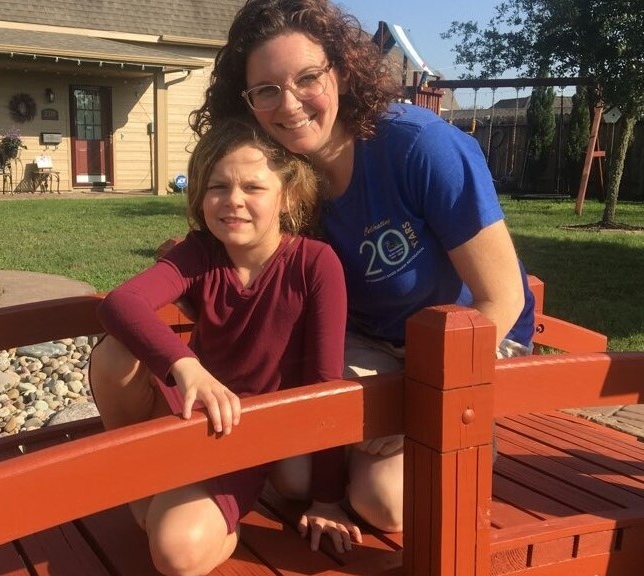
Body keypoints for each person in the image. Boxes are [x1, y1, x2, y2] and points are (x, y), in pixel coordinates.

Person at [189, 0, 536, 534]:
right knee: (295, 478)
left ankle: (422, 449)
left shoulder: (419, 147)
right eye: (266, 90)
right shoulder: (281, 173)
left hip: (465, 344)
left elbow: (502, 296)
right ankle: (359, 454)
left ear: (343, 73)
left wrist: (418, 399)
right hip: (362, 347)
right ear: (248, 102)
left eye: (308, 78)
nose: (290, 104)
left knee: (385, 504)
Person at [89, 117, 360, 576]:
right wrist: (185, 365)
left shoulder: (315, 264)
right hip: (187, 407)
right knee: (114, 353)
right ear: (200, 194)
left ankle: (202, 511)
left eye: (253, 187)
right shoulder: (199, 252)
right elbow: (122, 303)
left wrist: (328, 498)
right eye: (218, 186)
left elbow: (325, 385)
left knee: (175, 552)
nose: (233, 200)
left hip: (244, 431)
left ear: (287, 196)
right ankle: (134, 475)